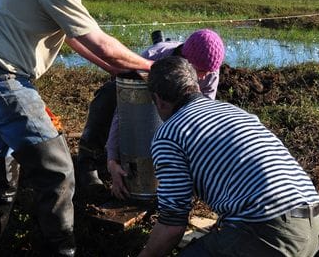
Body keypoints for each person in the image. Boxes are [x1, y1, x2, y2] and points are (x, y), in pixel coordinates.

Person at [0, 0, 153, 257]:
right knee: (58, 171)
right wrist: (152, 67)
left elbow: (77, 41)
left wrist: (118, 70)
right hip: (1, 81)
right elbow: (100, 43)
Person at [137, 56, 319, 257]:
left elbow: (172, 224)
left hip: (268, 231)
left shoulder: (170, 134)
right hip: (313, 228)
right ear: (196, 86)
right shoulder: (232, 111)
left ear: (158, 100)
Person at [75, 28, 225, 199]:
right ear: (186, 61)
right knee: (108, 95)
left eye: (209, 72)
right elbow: (122, 111)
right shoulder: (152, 58)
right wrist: (112, 160)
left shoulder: (210, 69)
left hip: (169, 107)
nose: (204, 77)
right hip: (138, 96)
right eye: (200, 72)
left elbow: (200, 117)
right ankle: (89, 161)